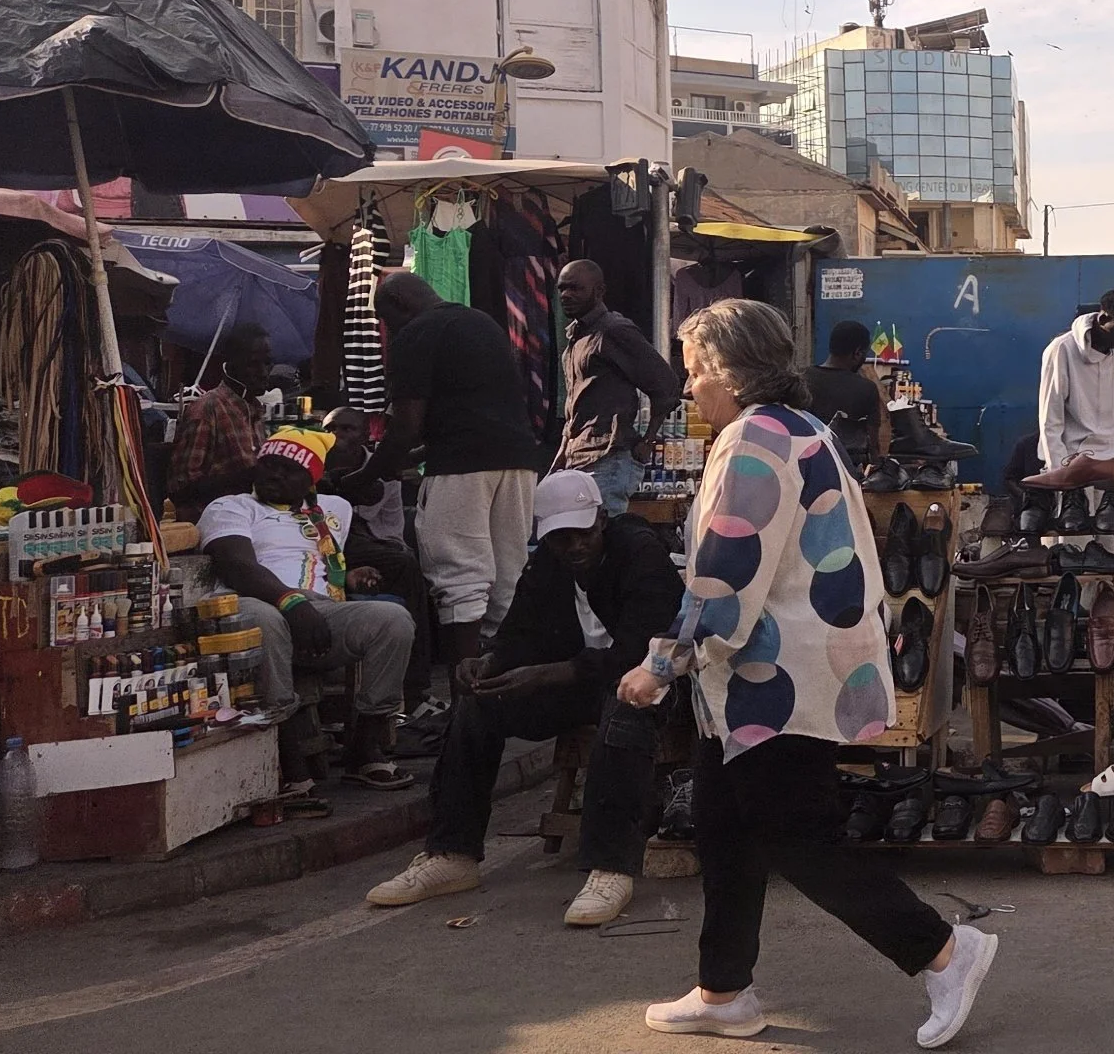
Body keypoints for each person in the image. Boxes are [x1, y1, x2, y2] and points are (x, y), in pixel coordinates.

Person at [617, 298, 997, 1047]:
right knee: (726, 831)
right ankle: (723, 990)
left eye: (695, 372)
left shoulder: (754, 440)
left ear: (729, 371)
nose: (689, 388)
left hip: (775, 681)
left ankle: (944, 951)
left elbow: (727, 572)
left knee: (796, 839)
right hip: (775, 679)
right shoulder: (801, 428)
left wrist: (661, 664)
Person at [366, 469, 685, 926]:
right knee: (478, 706)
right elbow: (520, 633)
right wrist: (490, 661)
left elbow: (641, 651)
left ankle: (611, 868)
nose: (574, 546)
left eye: (583, 533)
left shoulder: (640, 554)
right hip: (580, 682)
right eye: (561, 538)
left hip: (652, 680)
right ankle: (452, 853)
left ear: (601, 520)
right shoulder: (549, 565)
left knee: (626, 706)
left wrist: (548, 673)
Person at [200, 428, 416, 790]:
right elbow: (238, 566)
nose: (275, 475)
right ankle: (289, 759)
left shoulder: (335, 509)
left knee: (393, 621)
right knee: (264, 619)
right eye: (268, 465)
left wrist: (348, 579)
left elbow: (315, 562)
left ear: (311, 479)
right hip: (257, 603)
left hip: (318, 612)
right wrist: (292, 601)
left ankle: (365, 746)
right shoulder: (230, 507)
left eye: (289, 469)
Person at [368, 273, 539, 660]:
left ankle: (464, 681)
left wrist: (367, 475)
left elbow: (406, 426)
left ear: (399, 305)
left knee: (459, 575)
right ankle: (504, 676)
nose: (386, 328)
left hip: (462, 467)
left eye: (385, 318)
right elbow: (473, 413)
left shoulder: (416, 333)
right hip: (517, 461)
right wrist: (409, 459)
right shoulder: (483, 324)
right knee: (509, 573)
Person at [322, 406, 436, 719]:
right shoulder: (315, 463)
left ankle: (414, 689)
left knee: (408, 566)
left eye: (347, 429)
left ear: (364, 435)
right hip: (324, 544)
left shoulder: (383, 472)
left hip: (373, 545)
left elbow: (386, 529)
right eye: (331, 429)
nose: (337, 436)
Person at [555, 258, 683, 517]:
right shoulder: (578, 335)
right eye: (562, 288)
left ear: (599, 291)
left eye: (575, 288)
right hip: (580, 457)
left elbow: (666, 385)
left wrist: (648, 440)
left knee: (604, 533)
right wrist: (563, 453)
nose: (566, 295)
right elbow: (577, 406)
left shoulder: (613, 330)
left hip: (608, 458)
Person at [1024, 287, 1114, 490]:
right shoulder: (1062, 349)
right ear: (1103, 318)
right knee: (1074, 512)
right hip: (1072, 461)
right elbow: (1050, 415)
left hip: (1111, 464)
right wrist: (1059, 470)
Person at [167, 321, 272, 516]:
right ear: (230, 365)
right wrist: (245, 477)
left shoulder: (255, 410)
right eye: (253, 364)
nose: (264, 373)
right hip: (214, 518)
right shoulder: (207, 410)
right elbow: (180, 488)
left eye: (267, 363)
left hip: (256, 515)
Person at [805, 319, 884, 465]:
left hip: (805, 465)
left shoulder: (801, 379)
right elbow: (873, 445)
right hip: (847, 470)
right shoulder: (866, 389)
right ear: (857, 353)